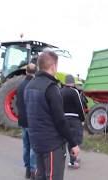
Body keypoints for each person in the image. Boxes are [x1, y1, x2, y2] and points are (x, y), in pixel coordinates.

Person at [24, 51, 80, 180]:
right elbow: (60, 120)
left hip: (36, 142)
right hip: (52, 145)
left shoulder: (29, 85)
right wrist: (73, 143)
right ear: (53, 66)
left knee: (40, 176)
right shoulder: (51, 88)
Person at [16, 63, 37, 179]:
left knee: (26, 145)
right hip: (32, 121)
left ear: (26, 72)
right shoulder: (34, 86)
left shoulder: (20, 85)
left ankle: (27, 170)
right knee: (33, 146)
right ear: (35, 72)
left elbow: (18, 103)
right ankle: (33, 170)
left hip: (23, 120)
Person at [60, 75, 85, 169]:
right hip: (74, 119)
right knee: (74, 140)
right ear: (73, 82)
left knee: (65, 140)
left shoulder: (60, 91)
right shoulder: (74, 92)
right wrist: (82, 119)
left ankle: (65, 159)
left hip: (63, 118)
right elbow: (80, 107)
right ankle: (72, 161)